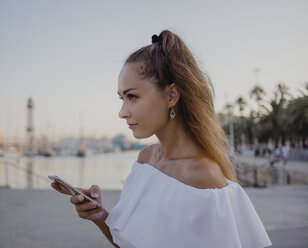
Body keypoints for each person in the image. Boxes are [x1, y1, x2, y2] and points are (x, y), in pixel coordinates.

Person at [51, 30, 272, 248]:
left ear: (171, 95)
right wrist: (99, 215)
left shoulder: (203, 176)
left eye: (132, 97)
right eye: (121, 98)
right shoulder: (145, 160)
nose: (122, 112)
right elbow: (129, 243)